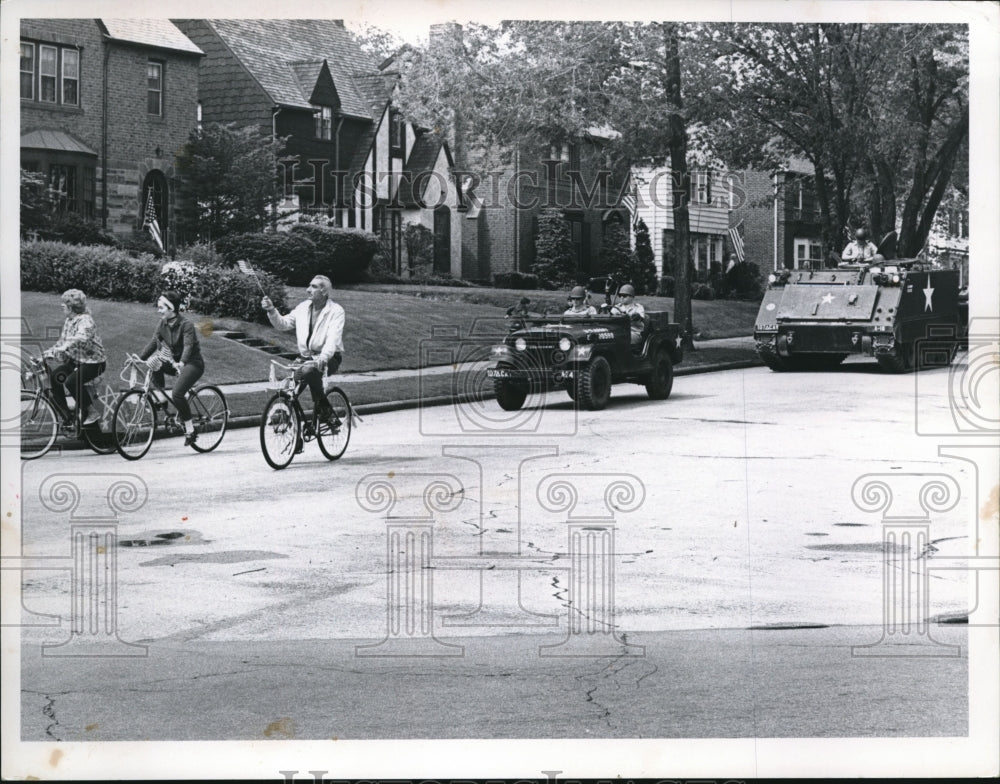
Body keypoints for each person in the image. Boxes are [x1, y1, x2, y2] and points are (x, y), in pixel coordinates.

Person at [261, 275, 345, 424]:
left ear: (324, 292)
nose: (308, 290)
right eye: (309, 286)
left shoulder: (336, 311)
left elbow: (333, 338)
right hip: (306, 357)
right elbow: (284, 324)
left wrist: (323, 358)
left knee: (309, 371)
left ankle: (324, 409)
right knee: (289, 388)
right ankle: (289, 426)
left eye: (313, 287)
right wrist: (272, 311)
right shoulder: (303, 307)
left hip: (329, 357)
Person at [139, 290, 205, 446]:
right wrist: (139, 359)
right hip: (177, 363)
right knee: (155, 363)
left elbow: (188, 346)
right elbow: (154, 343)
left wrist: (182, 362)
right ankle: (161, 399)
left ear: (171, 309)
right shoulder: (162, 323)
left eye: (161, 307)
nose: (158, 310)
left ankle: (190, 430)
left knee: (177, 393)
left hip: (192, 363)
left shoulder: (186, 325)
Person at [43, 289, 107, 426]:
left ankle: (91, 411)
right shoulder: (69, 320)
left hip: (94, 363)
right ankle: (68, 416)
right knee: (55, 377)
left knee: (72, 382)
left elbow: (82, 336)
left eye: (64, 305)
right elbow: (61, 342)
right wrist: (50, 352)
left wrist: (65, 346)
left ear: (71, 307)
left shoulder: (86, 320)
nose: (61, 306)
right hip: (77, 361)